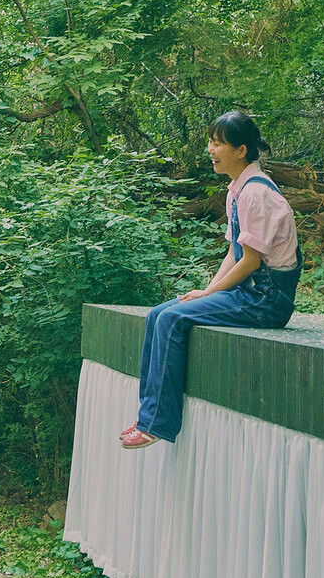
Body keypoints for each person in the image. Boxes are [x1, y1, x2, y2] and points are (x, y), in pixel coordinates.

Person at [121, 111, 301, 449]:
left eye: (218, 143)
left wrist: (210, 293)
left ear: (241, 150)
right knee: (158, 314)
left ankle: (155, 424)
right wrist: (207, 290)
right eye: (210, 142)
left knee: (172, 319)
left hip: (266, 301)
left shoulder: (256, 193)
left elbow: (250, 262)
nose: (211, 149)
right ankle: (149, 414)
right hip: (248, 293)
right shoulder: (238, 190)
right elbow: (234, 252)